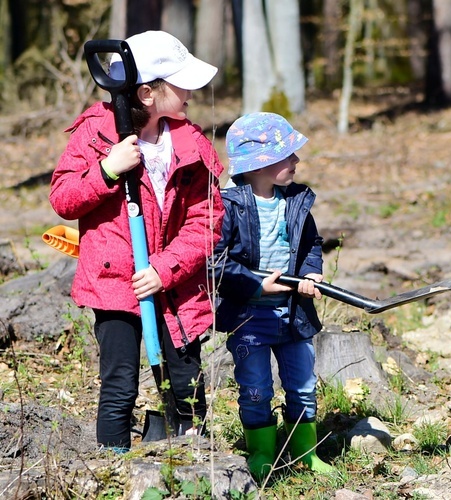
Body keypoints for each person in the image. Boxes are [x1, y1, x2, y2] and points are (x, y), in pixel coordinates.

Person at [49, 30, 224, 452]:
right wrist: (107, 171)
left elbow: (207, 218)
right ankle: (112, 468)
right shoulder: (95, 134)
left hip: (175, 286)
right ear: (147, 93)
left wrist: (166, 270)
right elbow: (63, 198)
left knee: (186, 384)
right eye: (182, 85)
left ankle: (192, 463)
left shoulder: (190, 143)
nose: (192, 94)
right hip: (114, 285)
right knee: (119, 386)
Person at [211, 112, 335, 480]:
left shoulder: (294, 201)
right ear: (259, 164)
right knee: (255, 387)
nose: (296, 161)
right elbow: (216, 262)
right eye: (288, 155)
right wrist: (254, 285)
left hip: (293, 312)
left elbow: (311, 242)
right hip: (250, 316)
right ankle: (262, 453)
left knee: (302, 385)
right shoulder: (229, 207)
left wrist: (311, 271)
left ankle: (305, 454)